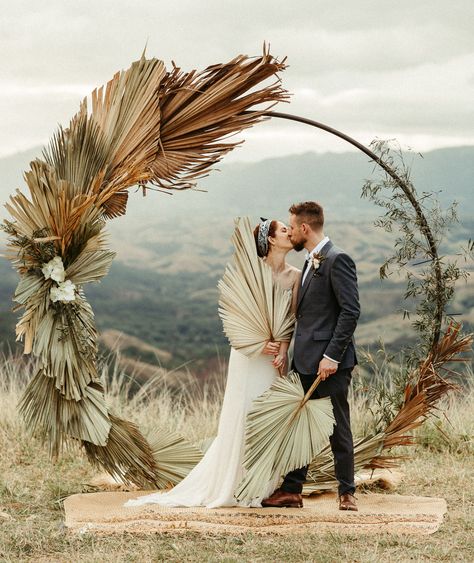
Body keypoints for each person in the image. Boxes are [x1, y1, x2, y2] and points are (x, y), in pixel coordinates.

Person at [124, 219, 300, 509]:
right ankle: (235, 482)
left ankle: (263, 483)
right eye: (283, 230)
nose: (289, 233)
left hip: (274, 357)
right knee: (245, 411)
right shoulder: (250, 273)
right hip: (248, 355)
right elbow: (234, 317)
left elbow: (291, 319)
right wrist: (257, 344)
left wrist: (282, 349)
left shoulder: (294, 275)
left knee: (269, 416)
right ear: (270, 240)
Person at [261, 201, 360, 511]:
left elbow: (350, 311)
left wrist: (332, 356)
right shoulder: (309, 262)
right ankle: (292, 491)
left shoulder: (337, 259)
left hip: (330, 362)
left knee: (337, 427)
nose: (291, 232)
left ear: (305, 228)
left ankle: (347, 492)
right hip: (304, 360)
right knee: (299, 426)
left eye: (293, 226)